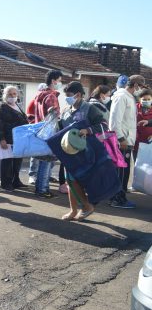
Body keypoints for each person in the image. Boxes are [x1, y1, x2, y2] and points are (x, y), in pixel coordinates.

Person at [59, 81, 104, 220]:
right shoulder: (66, 110)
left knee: (77, 180)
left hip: (85, 150)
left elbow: (103, 125)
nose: (67, 98)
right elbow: (61, 127)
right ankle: (73, 211)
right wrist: (54, 118)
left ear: (78, 94)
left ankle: (86, 206)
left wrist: (88, 130)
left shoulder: (90, 108)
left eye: (69, 95)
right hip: (68, 151)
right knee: (70, 180)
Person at [108, 74, 143, 209]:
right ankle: (118, 199)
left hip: (126, 140)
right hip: (122, 141)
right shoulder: (122, 96)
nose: (140, 89)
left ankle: (117, 197)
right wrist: (121, 138)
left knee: (123, 170)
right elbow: (114, 121)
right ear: (134, 85)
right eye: (140, 86)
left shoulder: (129, 97)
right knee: (122, 171)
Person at [0, 85, 29, 193]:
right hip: (7, 139)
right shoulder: (1, 107)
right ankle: (6, 184)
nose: (12, 96)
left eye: (14, 94)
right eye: (9, 94)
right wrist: (2, 139)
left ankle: (15, 181)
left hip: (18, 140)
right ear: (4, 95)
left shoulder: (17, 105)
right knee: (6, 162)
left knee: (17, 161)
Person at [31, 70, 61, 197]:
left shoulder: (40, 95)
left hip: (40, 130)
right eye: (59, 80)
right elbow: (52, 113)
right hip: (49, 132)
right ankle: (43, 190)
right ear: (54, 81)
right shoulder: (51, 96)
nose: (60, 83)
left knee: (43, 160)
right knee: (47, 161)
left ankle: (41, 188)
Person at [135, 89, 152, 162]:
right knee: (138, 164)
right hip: (137, 141)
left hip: (150, 141)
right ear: (139, 99)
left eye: (149, 99)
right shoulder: (134, 107)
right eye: (144, 99)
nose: (147, 101)